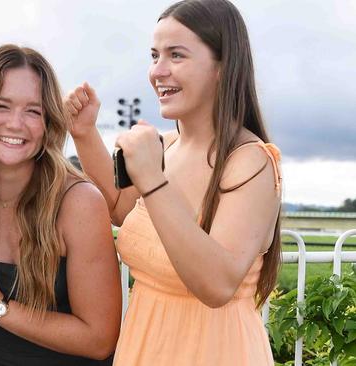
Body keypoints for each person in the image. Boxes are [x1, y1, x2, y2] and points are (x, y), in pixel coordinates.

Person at [65, 0, 282, 365]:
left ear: (222, 66)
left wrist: (152, 178)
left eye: (176, 55)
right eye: (154, 55)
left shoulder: (252, 161)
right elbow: (120, 210)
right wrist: (84, 134)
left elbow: (217, 285)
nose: (157, 71)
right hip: (145, 348)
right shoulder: (166, 146)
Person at [0, 44, 122, 365]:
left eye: (33, 111)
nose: (16, 124)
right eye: (1, 106)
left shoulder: (78, 203)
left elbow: (99, 339)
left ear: (48, 123)